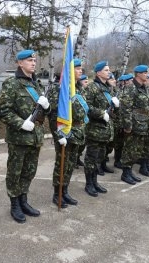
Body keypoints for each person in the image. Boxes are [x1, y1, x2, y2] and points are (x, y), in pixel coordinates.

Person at [0, 49, 51, 223]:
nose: (33, 63)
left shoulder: (38, 85)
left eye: (34, 60)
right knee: (15, 172)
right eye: (29, 60)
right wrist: (21, 123)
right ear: (20, 63)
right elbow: (3, 111)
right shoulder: (11, 84)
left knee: (29, 171)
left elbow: (44, 113)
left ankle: (23, 200)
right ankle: (14, 204)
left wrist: (47, 107)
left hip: (35, 136)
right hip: (19, 138)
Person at [48, 58, 88, 207]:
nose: (80, 71)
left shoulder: (78, 88)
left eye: (80, 69)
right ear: (69, 71)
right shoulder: (60, 88)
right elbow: (53, 114)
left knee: (70, 164)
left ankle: (65, 191)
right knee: (62, 164)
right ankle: (57, 193)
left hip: (77, 131)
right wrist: (59, 135)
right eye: (77, 69)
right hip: (64, 132)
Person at [83, 61, 119, 196]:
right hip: (94, 129)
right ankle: (89, 184)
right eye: (106, 70)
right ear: (98, 73)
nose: (108, 72)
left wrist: (116, 107)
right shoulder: (92, 88)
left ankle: (95, 182)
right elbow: (86, 107)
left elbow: (113, 110)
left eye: (109, 70)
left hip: (105, 130)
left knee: (100, 158)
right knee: (91, 158)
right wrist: (101, 113)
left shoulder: (109, 88)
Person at [119, 65, 149, 185]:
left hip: (142, 125)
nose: (147, 75)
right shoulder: (131, 87)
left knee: (137, 151)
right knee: (129, 149)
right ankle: (125, 173)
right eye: (145, 73)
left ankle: (130, 171)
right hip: (133, 125)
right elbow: (125, 108)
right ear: (138, 74)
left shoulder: (144, 87)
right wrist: (127, 125)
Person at [76, 74, 89, 168]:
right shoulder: (77, 90)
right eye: (85, 82)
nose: (87, 83)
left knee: (83, 143)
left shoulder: (83, 91)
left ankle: (78, 158)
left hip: (85, 121)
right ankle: (75, 159)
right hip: (78, 123)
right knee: (77, 144)